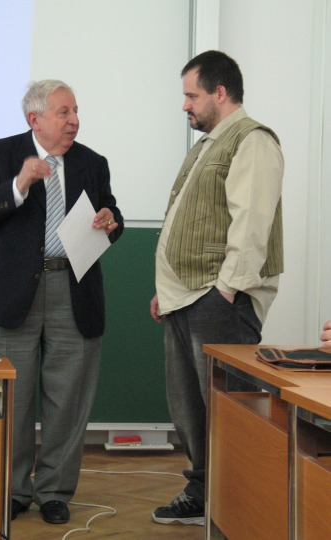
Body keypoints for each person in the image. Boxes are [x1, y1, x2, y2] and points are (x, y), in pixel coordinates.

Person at [0, 80, 124, 525]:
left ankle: (54, 490)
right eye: (64, 112)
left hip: (74, 289)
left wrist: (110, 220)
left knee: (67, 399)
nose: (74, 121)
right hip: (11, 294)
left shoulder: (92, 162)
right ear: (35, 119)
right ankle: (12, 490)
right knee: (10, 400)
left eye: (76, 111)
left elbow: (111, 214)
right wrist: (19, 184)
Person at [150, 50, 284, 526]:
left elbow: (252, 223)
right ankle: (204, 493)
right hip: (187, 296)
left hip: (218, 298)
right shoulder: (208, 144)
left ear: (220, 93)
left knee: (230, 410)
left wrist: (225, 291)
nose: (185, 105)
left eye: (192, 95)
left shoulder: (253, 140)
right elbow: (191, 222)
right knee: (190, 407)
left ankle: (243, 507)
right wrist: (168, 290)